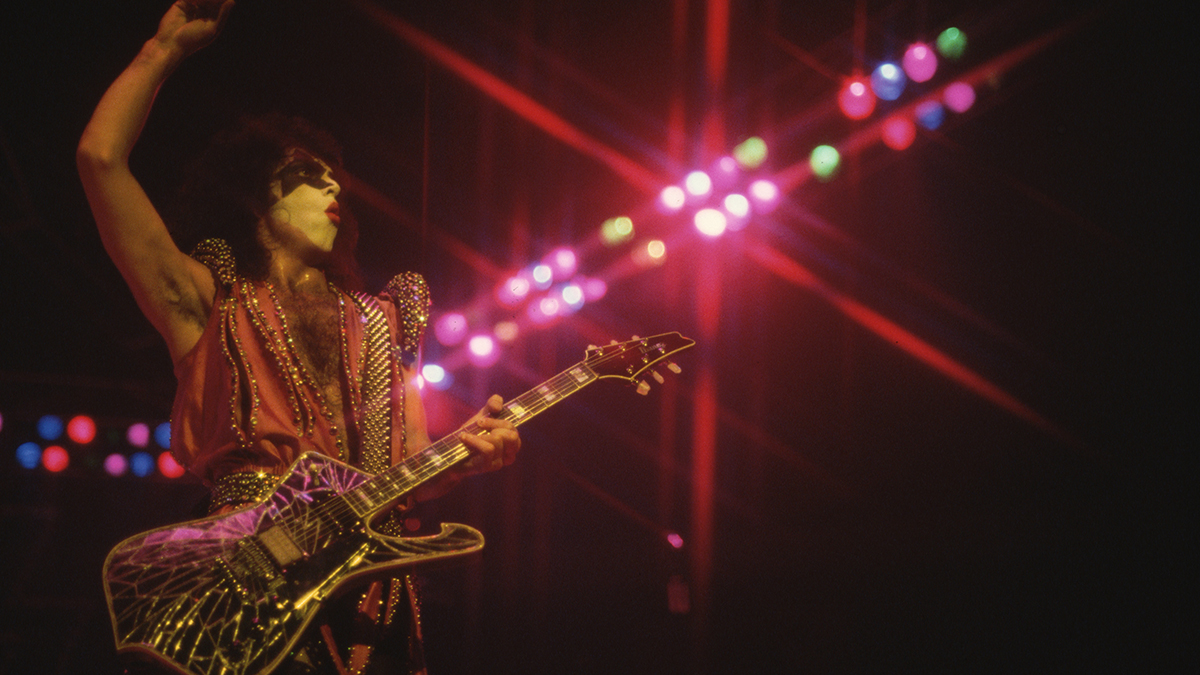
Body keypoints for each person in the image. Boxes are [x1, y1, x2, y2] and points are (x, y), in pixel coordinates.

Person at [76, 2, 520, 673]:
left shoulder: (384, 320)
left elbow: (409, 471)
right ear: (257, 200)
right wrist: (162, 50)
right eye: (307, 174)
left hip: (370, 591)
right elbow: (100, 159)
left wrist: (467, 457)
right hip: (245, 581)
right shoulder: (211, 302)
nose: (333, 182)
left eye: (335, 174)